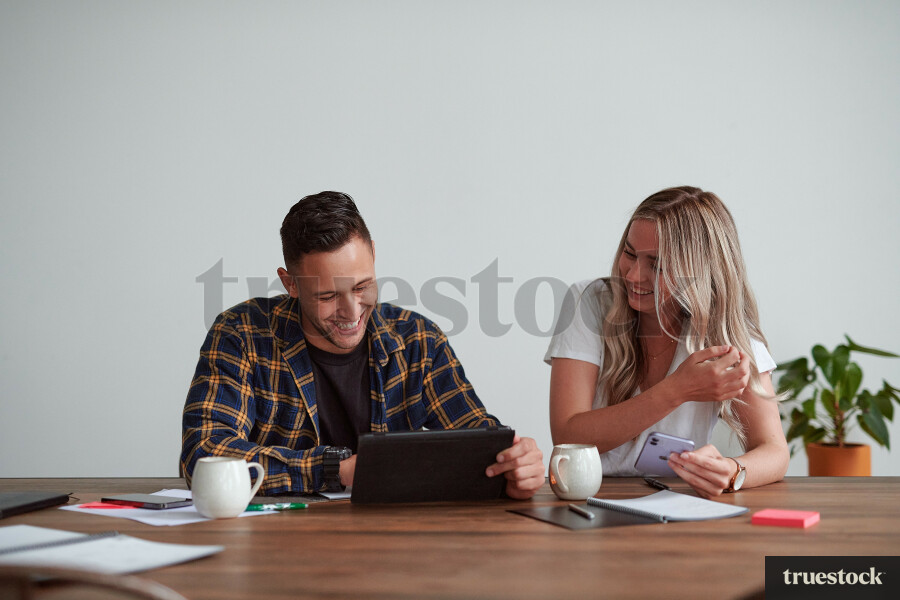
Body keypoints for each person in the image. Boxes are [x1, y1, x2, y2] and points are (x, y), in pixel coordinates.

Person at [182, 191, 543, 498]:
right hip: (279, 543)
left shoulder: (418, 340)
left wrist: (514, 465)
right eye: (327, 296)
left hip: (393, 545)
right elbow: (203, 457)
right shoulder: (242, 334)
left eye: (362, 286)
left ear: (373, 254)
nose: (352, 311)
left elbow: (479, 442)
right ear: (290, 283)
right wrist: (335, 470)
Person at [546, 186, 789, 499]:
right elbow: (567, 436)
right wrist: (677, 389)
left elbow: (774, 450)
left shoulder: (725, 332)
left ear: (700, 272)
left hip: (677, 501)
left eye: (657, 265)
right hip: (592, 499)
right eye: (629, 253)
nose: (633, 275)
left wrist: (732, 471)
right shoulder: (590, 302)